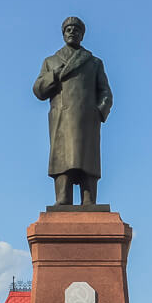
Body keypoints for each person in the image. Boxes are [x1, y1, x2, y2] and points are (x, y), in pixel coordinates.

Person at [33, 16, 113, 206]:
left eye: (76, 30)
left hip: (87, 119)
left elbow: (106, 93)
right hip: (61, 117)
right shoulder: (50, 62)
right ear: (63, 33)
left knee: (87, 159)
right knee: (62, 158)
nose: (72, 32)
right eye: (68, 29)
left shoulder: (94, 62)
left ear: (82, 35)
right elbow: (38, 90)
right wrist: (54, 75)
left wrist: (98, 112)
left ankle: (89, 199)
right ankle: (63, 197)